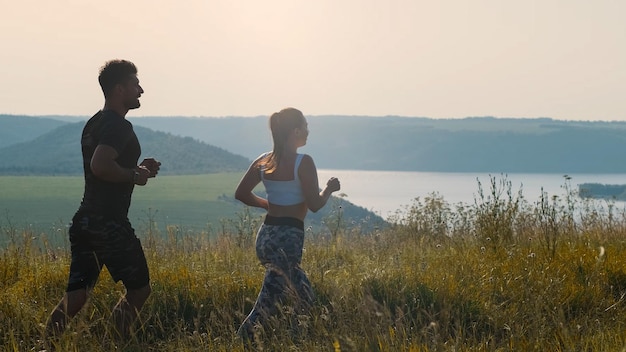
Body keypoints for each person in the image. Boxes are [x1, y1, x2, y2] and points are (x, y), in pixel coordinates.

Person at [46, 59, 161, 340]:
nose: (141, 90)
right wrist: (135, 176)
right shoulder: (119, 126)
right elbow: (101, 166)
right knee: (139, 289)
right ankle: (113, 342)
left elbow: (106, 166)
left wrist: (137, 168)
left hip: (85, 219)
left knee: (77, 294)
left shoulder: (94, 123)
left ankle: (46, 344)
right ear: (119, 89)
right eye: (135, 85)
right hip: (108, 222)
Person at [234, 107, 341, 341]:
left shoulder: (263, 161)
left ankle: (294, 339)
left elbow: (241, 193)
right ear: (295, 131)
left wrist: (267, 205)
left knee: (302, 296)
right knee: (270, 303)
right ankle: (247, 339)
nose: (308, 131)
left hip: (266, 236)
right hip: (288, 239)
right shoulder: (303, 162)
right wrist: (329, 189)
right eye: (305, 126)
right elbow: (315, 204)